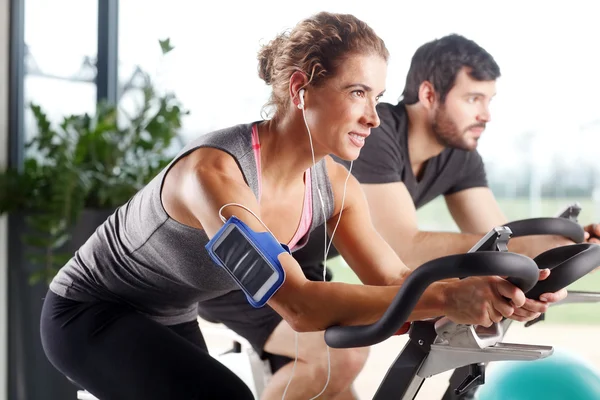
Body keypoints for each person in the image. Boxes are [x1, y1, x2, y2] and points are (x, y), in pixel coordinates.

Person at [196, 33, 582, 399]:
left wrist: (540, 268)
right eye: (474, 99)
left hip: (307, 268)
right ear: (430, 94)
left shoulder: (460, 158)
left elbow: (495, 238)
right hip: (247, 272)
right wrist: (526, 254)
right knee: (341, 356)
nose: (486, 115)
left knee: (338, 388)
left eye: (489, 100)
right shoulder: (376, 137)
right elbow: (404, 246)